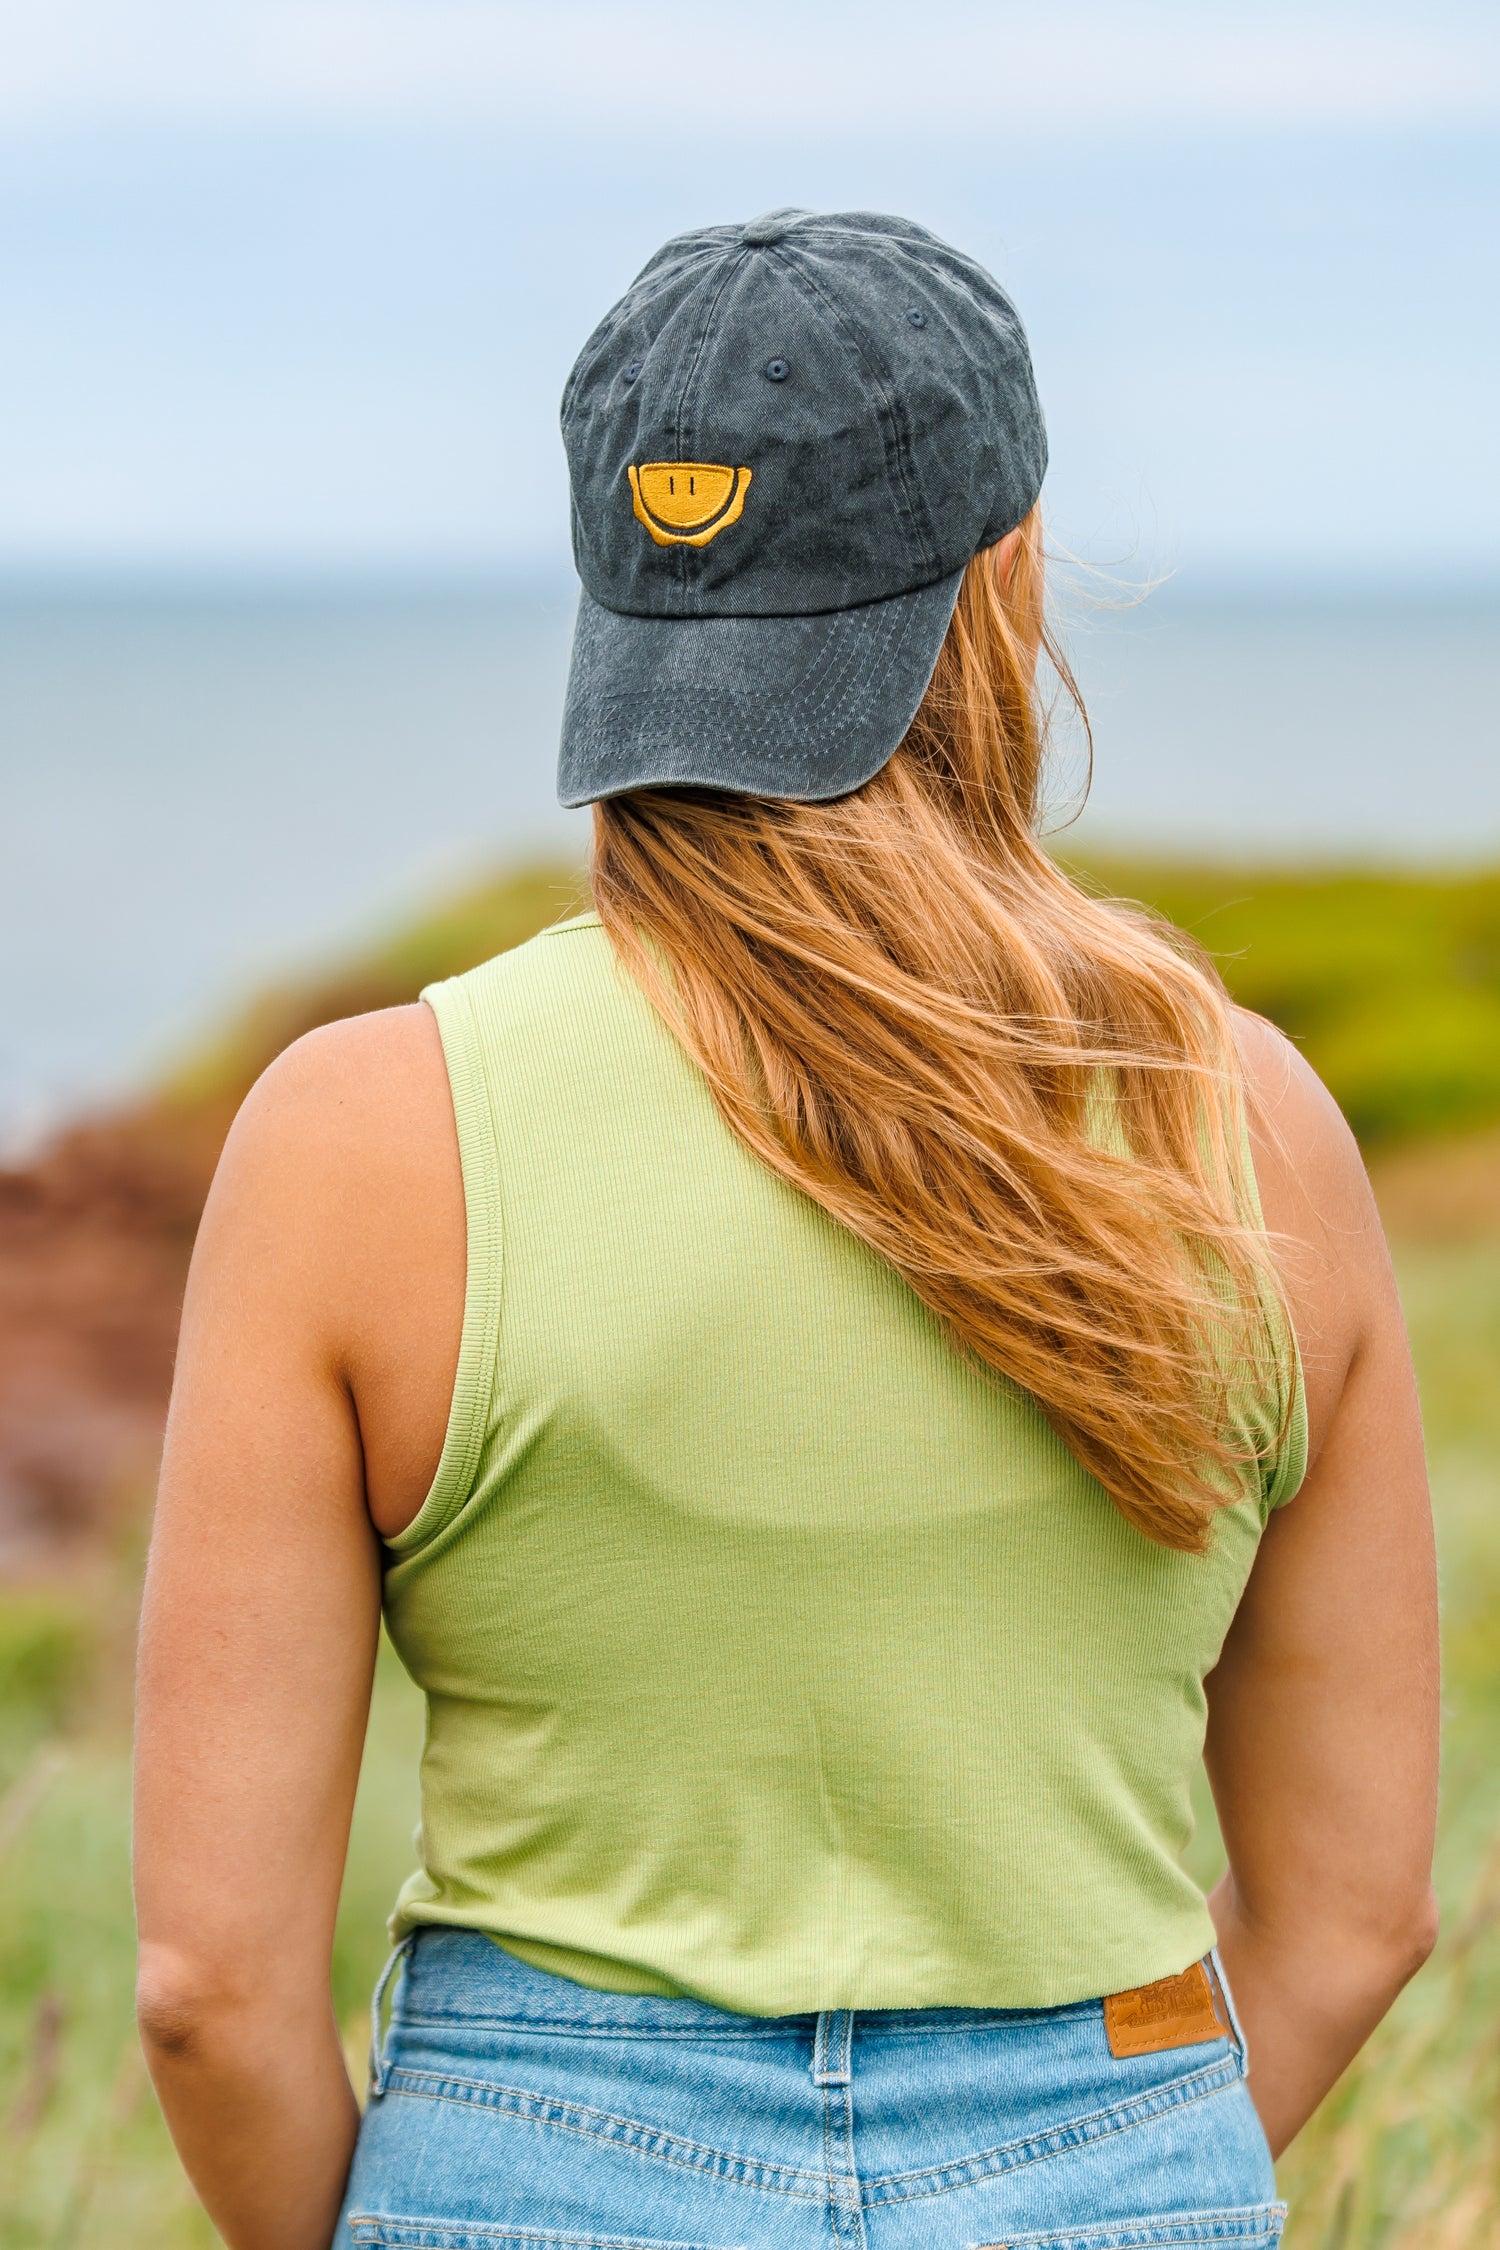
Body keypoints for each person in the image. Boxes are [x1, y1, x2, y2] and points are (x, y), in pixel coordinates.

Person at [133, 210, 1439, 2250]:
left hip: (529, 2165)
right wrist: (1088, 2175)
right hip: (1111, 2156)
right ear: (1010, 582)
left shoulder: (356, 1139)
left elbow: (212, 1995)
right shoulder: (1251, 1124)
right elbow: (1358, 1917)